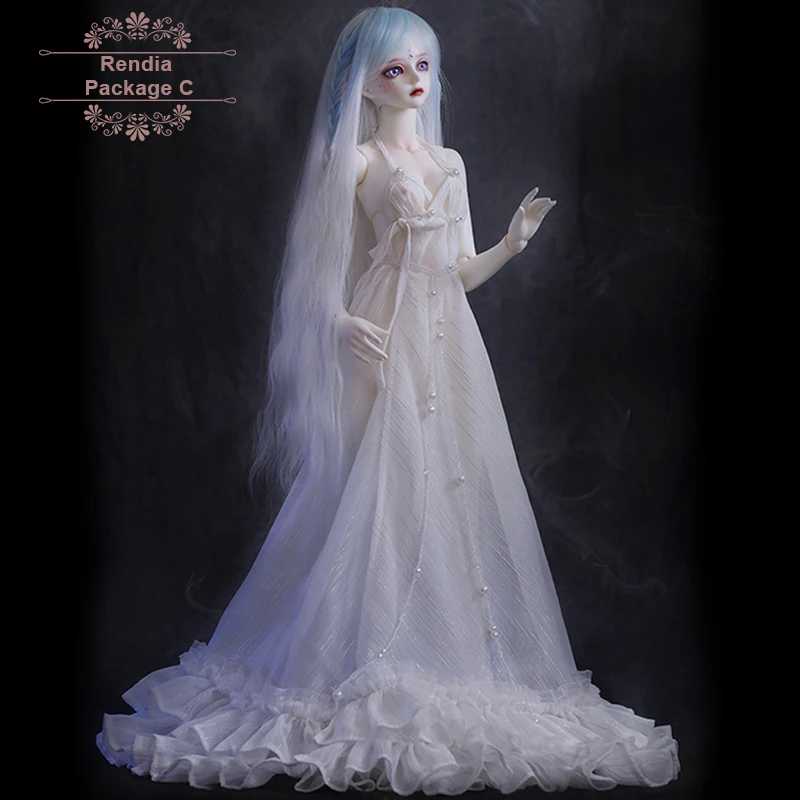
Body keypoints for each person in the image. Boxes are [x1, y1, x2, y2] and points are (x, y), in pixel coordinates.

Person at [97, 6, 680, 794]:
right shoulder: (356, 161)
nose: (412, 80)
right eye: (393, 69)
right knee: (373, 492)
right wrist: (338, 321)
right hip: (379, 333)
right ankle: (352, 660)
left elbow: (458, 271)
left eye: (421, 65)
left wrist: (512, 243)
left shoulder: (449, 160)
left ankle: (439, 651)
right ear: (364, 85)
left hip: (447, 339)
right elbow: (316, 268)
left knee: (452, 487)